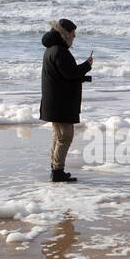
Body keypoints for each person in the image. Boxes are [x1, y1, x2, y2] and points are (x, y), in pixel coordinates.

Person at [38, 18, 92, 182]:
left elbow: (64, 75)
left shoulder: (52, 50)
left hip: (55, 101)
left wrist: (83, 76)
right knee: (65, 136)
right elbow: (70, 73)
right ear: (65, 34)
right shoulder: (59, 51)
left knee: (58, 136)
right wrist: (87, 65)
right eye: (73, 34)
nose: (74, 37)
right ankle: (58, 172)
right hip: (60, 102)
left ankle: (56, 168)